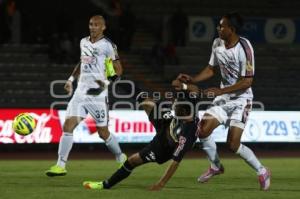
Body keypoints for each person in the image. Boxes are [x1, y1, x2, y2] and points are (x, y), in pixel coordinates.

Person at [173, 12, 271, 191]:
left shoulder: (245, 47)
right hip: (224, 97)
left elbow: (247, 81)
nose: (218, 28)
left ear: (231, 29)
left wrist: (220, 90)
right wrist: (193, 80)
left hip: (242, 99)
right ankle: (216, 166)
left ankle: (262, 170)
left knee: (232, 144)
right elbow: (211, 69)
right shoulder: (217, 43)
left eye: (222, 26)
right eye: (219, 26)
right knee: (202, 131)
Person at [46, 15, 126, 177]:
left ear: (103, 27)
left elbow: (119, 70)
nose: (93, 27)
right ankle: (60, 165)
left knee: (103, 132)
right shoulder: (83, 42)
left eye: (96, 25)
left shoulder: (108, 45)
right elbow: (82, 63)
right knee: (67, 127)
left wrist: (105, 83)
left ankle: (120, 157)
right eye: (90, 24)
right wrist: (70, 80)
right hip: (80, 93)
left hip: (98, 95)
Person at [82, 89, 200, 191]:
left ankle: (105, 185)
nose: (173, 105)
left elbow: (175, 161)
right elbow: (194, 90)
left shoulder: (186, 134)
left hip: (163, 147)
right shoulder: (189, 108)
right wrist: (185, 86)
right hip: (168, 124)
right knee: (147, 102)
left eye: (177, 106)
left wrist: (161, 184)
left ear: (183, 111)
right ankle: (117, 80)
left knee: (132, 161)